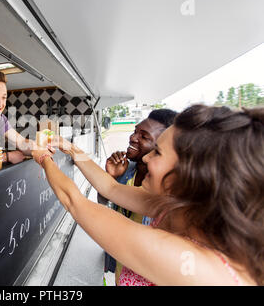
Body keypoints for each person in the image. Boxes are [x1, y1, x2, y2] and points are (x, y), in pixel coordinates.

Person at [33, 104, 262, 285]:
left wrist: (43, 159)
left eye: (158, 153)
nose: (145, 158)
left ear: (191, 173)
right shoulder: (178, 207)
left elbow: (76, 203)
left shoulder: (187, 261)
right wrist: (70, 148)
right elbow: (110, 188)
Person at [99, 109, 177, 283]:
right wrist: (111, 176)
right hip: (119, 267)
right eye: (135, 131)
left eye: (144, 137)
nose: (133, 138)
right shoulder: (125, 169)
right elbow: (104, 202)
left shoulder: (167, 197)